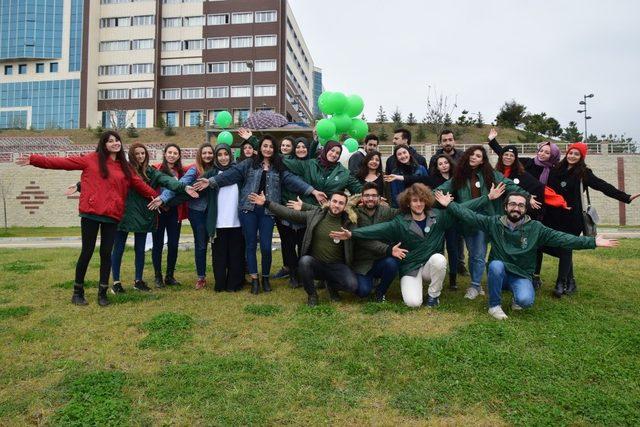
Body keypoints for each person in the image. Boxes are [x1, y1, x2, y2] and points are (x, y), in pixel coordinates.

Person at [16, 131, 157, 306]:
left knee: (106, 254)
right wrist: (34, 159)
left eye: (117, 140)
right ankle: (77, 292)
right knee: (87, 252)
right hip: (91, 213)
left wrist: (158, 198)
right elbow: (61, 163)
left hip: (112, 216)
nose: (115, 143)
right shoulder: (91, 159)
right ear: (103, 144)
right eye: (110, 141)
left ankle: (103, 293)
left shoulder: (125, 167)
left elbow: (140, 185)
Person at [435, 191, 620, 320]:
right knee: (495, 265)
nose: (516, 208)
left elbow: (562, 239)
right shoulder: (494, 223)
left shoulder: (536, 229)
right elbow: (470, 216)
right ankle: (494, 306)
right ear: (506, 206)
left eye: (521, 205)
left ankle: (517, 296)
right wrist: (449, 204)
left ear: (525, 209)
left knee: (525, 301)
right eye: (513, 204)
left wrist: (592, 242)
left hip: (521, 274)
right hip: (499, 273)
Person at [330, 183, 505, 307]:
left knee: (438, 259)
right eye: (414, 200)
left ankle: (433, 296)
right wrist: (353, 233)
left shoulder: (438, 216)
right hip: (411, 267)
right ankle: (417, 290)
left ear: (426, 201)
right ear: (408, 203)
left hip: (430, 266)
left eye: (421, 200)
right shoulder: (399, 221)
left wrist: (487, 198)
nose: (418, 204)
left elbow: (465, 207)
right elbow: (377, 230)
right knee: (413, 303)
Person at [192, 135, 326, 294]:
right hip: (248, 210)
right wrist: (212, 181)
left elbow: (292, 180)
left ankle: (266, 278)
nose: (267, 149)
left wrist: (313, 191)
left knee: (265, 247)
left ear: (274, 149)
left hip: (268, 211)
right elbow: (230, 174)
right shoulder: (249, 164)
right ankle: (255, 279)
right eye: (265, 146)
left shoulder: (278, 166)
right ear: (260, 148)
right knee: (250, 245)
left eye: (270, 146)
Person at [436, 145, 537, 300]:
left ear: (483, 160)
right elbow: (439, 190)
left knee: (496, 254)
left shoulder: (492, 174)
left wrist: (527, 197)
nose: (473, 157)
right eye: (471, 154)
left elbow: (510, 185)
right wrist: (425, 198)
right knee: (476, 254)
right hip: (471, 221)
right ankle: (475, 285)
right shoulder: (459, 177)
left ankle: (503, 281)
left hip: (491, 219)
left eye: (478, 156)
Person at [544, 142, 639, 297]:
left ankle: (561, 283)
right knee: (562, 247)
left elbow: (603, 186)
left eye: (577, 154)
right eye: (571, 153)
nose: (573, 156)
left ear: (582, 157)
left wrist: (625, 197)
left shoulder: (584, 173)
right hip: (553, 216)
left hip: (572, 219)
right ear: (566, 153)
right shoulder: (555, 170)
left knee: (566, 246)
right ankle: (571, 282)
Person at [249, 191, 371, 306]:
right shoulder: (315, 216)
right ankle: (312, 295)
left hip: (337, 265)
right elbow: (289, 213)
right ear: (329, 202)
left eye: (340, 203)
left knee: (352, 286)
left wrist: (350, 236)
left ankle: (331, 285)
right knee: (304, 261)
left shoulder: (349, 222)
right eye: (334, 201)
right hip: (316, 263)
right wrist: (266, 203)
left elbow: (360, 237)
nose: (337, 205)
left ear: (345, 206)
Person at [111, 143, 197, 293]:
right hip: (123, 214)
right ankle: (116, 282)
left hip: (143, 215)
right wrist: (80, 185)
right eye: (137, 154)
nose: (140, 156)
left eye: (143, 153)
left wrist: (183, 187)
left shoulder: (151, 172)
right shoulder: (123, 170)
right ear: (131, 155)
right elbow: (104, 179)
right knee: (118, 248)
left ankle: (138, 281)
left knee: (140, 249)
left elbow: (167, 181)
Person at [487, 128, 566, 288]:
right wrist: (492, 141)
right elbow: (506, 154)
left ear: (553, 156)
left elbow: (540, 188)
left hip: (531, 208)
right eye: (541, 150)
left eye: (547, 153)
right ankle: (502, 272)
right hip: (505, 211)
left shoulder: (553, 171)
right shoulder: (527, 162)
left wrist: (561, 202)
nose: (543, 154)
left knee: (532, 243)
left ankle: (532, 275)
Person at [385, 153, 460, 290]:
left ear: (450, 164)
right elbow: (414, 178)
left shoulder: (457, 179)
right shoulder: (432, 179)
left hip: (451, 215)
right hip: (436, 218)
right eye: (440, 164)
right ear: (436, 167)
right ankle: (427, 272)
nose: (443, 165)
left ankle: (453, 278)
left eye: (446, 163)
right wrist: (397, 177)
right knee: (438, 247)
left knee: (453, 247)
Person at [154, 143, 216, 289]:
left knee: (214, 243)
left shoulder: (216, 169)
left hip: (213, 210)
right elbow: (181, 185)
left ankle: (170, 276)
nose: (207, 155)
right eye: (204, 153)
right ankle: (200, 277)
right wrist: (163, 199)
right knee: (200, 244)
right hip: (195, 210)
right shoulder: (193, 170)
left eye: (210, 153)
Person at [283, 140, 363, 205]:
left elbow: (359, 189)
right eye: (332, 150)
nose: (334, 154)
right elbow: (288, 162)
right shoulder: (309, 164)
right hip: (307, 211)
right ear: (326, 150)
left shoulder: (344, 173)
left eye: (337, 153)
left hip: (329, 214)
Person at [151, 143, 187, 288]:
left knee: (173, 244)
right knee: (157, 245)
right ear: (165, 154)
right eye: (169, 152)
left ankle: (169, 276)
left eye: (175, 153)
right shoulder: (156, 169)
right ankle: (158, 276)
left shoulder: (181, 172)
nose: (172, 155)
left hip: (174, 212)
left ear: (178, 156)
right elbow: (150, 188)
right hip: (159, 212)